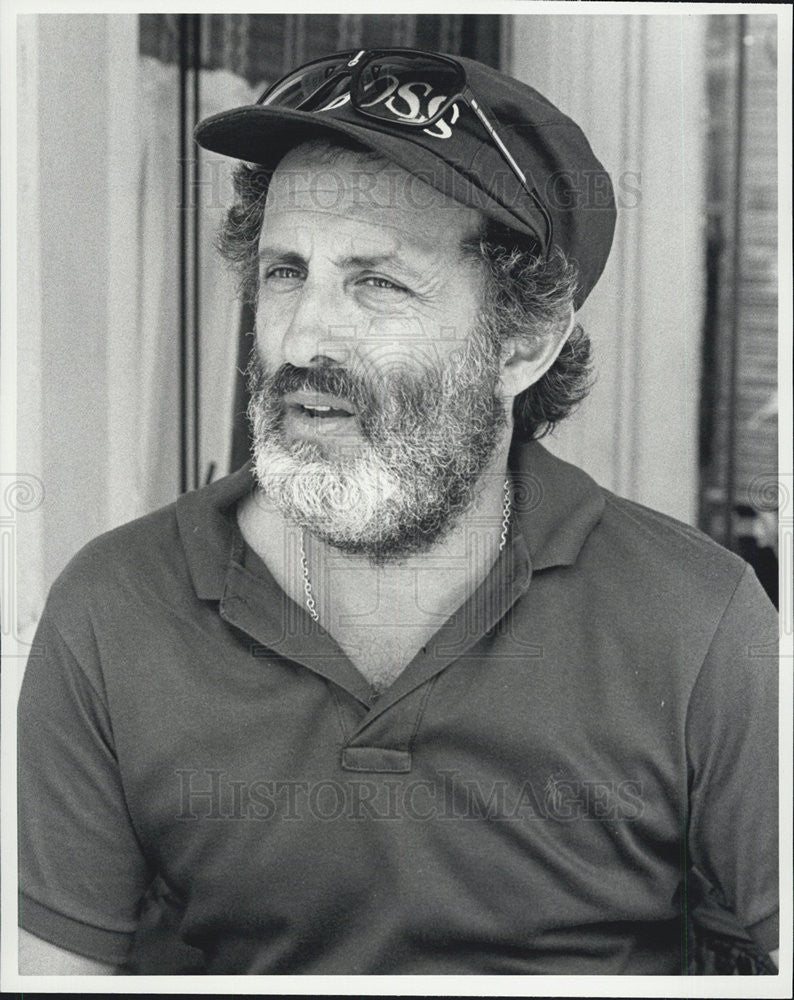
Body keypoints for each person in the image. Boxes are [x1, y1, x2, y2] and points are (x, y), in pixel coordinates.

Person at [18, 48, 778, 976]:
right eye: (287, 272)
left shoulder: (695, 619)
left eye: (378, 284)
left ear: (525, 344)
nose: (301, 338)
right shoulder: (116, 606)